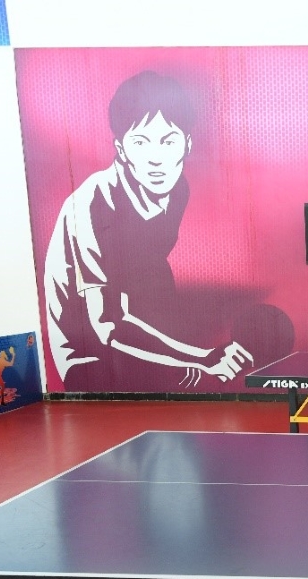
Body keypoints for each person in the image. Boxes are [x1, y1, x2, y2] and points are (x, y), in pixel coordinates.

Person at [42, 70, 251, 390]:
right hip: (90, 358)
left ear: (187, 145)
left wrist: (190, 355)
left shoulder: (177, 190)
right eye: (140, 142)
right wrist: (200, 357)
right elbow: (105, 327)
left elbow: (146, 273)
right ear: (121, 148)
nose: (156, 159)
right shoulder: (90, 206)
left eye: (168, 141)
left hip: (141, 330)